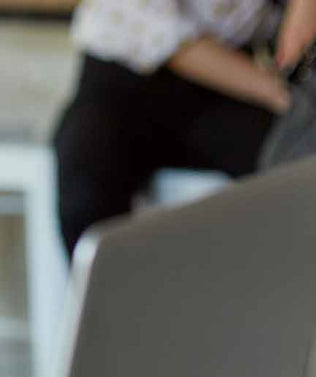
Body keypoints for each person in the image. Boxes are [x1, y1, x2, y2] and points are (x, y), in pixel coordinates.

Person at [54, 0, 316, 254]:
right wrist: (279, 94)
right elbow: (159, 32)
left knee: (299, 166)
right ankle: (110, 297)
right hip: (124, 72)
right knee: (84, 189)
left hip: (232, 80)